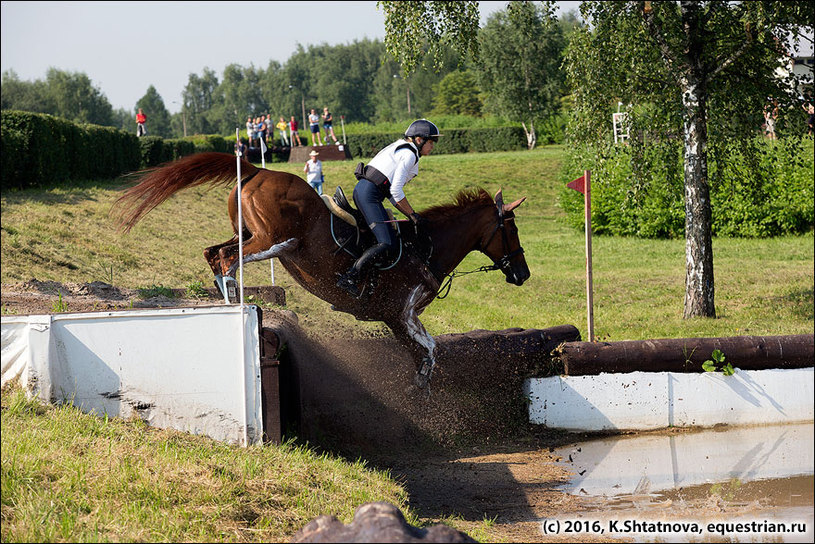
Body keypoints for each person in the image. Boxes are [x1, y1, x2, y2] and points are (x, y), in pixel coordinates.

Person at [336, 119, 441, 298]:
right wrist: (413, 214)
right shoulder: (409, 155)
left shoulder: (401, 147)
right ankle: (349, 278)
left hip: (365, 191)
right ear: (418, 140)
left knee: (381, 238)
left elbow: (392, 194)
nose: (432, 146)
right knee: (387, 243)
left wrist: (409, 214)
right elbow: (396, 190)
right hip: (369, 195)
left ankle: (367, 283)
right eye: (430, 142)